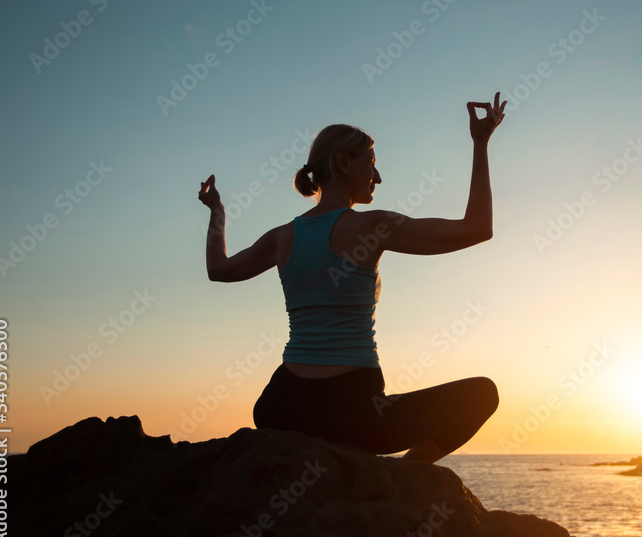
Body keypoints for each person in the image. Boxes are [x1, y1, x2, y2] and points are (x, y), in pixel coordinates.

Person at [196, 92, 507, 463]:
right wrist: (481, 143)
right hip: (354, 413)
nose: (377, 176)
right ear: (343, 161)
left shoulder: (282, 237)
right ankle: (407, 475)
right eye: (371, 162)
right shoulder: (373, 225)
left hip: (280, 406)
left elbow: (219, 270)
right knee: (483, 395)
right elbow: (477, 229)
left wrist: (217, 212)